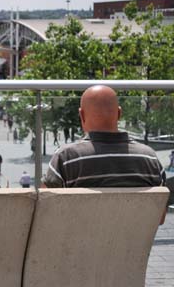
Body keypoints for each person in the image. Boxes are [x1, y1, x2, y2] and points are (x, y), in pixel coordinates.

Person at [41, 86, 166, 222]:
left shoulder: (66, 158)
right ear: (119, 114)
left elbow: (46, 212)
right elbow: (159, 217)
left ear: (81, 115)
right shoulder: (149, 158)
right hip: (134, 242)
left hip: (79, 241)